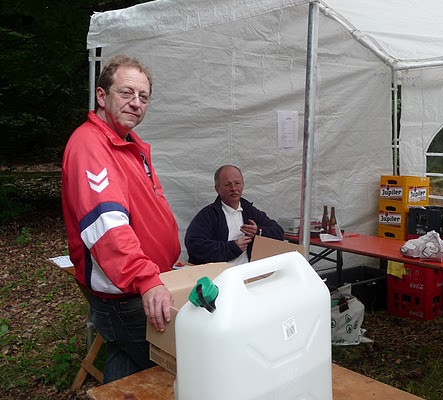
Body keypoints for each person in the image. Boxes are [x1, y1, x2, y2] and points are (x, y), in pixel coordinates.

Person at [62, 55, 181, 382]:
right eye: (126, 92)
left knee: (126, 366)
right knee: (168, 368)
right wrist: (146, 279)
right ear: (102, 96)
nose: (136, 103)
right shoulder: (90, 145)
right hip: (127, 293)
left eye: (143, 96)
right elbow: (107, 228)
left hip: (140, 285)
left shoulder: (129, 144)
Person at [185, 165, 284, 265]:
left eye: (237, 183)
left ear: (243, 185)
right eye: (227, 184)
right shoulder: (208, 215)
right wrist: (233, 247)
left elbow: (278, 232)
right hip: (218, 273)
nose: (233, 188)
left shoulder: (250, 211)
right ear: (217, 189)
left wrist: (258, 231)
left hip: (248, 271)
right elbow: (194, 245)